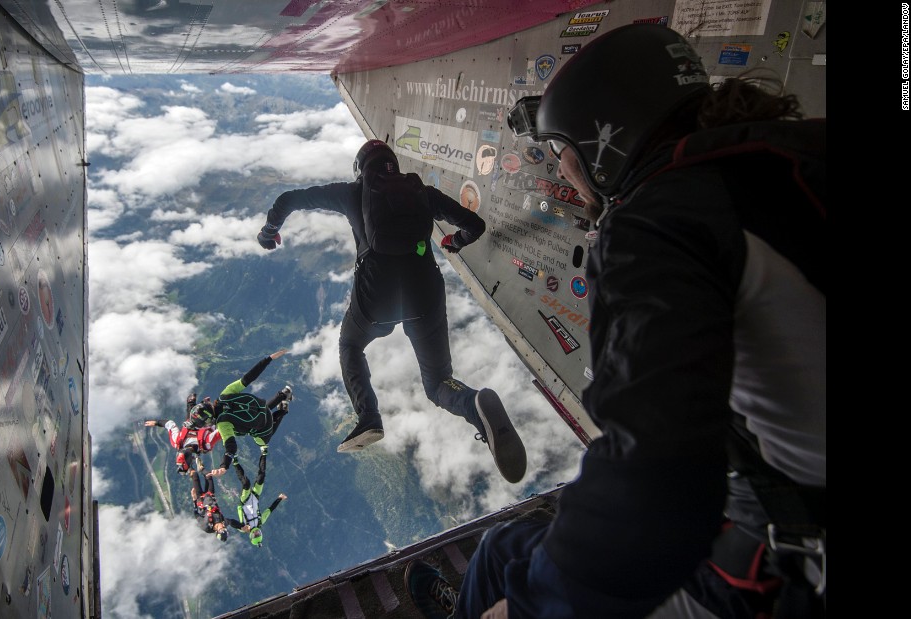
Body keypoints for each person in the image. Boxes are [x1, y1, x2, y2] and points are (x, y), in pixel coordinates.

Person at [406, 24, 825, 619]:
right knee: (501, 551)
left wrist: (527, 608)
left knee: (510, 573)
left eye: (563, 153)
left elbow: (655, 476)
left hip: (786, 566)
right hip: (777, 496)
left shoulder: (659, 224)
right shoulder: (785, 158)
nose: (565, 175)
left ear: (604, 142)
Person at [255, 139, 527, 484]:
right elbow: (475, 225)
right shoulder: (423, 193)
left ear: (360, 169)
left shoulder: (350, 193)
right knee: (437, 383)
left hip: (376, 300)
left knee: (350, 345)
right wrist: (454, 242)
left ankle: (368, 416)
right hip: (424, 294)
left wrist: (269, 232)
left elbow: (288, 200)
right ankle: (473, 404)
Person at [203, 350, 294, 478]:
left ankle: (283, 408)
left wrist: (224, 466)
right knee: (262, 412)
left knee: (263, 442)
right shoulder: (224, 394)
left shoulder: (222, 424)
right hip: (261, 407)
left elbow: (230, 446)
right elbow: (248, 378)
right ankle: (283, 394)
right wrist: (268, 359)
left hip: (263, 425)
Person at [221, 447, 286, 547]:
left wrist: (238, 526)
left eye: (255, 535)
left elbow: (231, 522)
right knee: (261, 477)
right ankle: (264, 453)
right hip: (255, 497)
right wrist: (279, 499)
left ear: (251, 536)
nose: (256, 532)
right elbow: (270, 509)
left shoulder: (244, 528)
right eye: (258, 534)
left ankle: (235, 462)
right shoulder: (261, 521)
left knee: (246, 484)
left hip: (244, 501)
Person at [144, 418, 222, 474]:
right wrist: (157, 423)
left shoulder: (206, 444)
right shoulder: (177, 442)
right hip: (195, 413)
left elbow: (222, 430)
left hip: (212, 417)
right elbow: (170, 424)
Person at [189, 469, 231, 541]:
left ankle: (189, 467)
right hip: (210, 496)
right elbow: (232, 521)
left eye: (222, 528)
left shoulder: (206, 527)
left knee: (195, 475)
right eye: (224, 528)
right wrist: (242, 527)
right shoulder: (223, 521)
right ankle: (201, 468)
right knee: (209, 476)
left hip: (200, 499)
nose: (223, 526)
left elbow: (196, 515)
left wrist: (194, 499)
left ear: (217, 531)